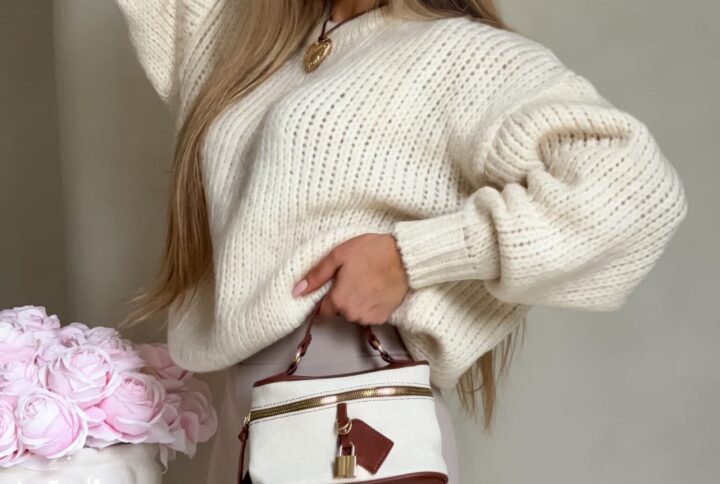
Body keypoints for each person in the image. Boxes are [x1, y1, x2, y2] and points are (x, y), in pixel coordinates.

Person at [114, 0, 688, 482]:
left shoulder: (460, 52)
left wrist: (411, 258)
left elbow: (635, 190)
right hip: (246, 413)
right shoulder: (249, 42)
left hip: (350, 402)